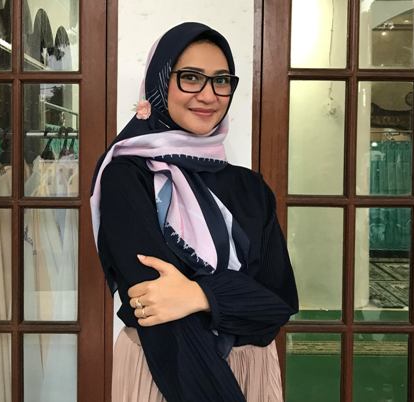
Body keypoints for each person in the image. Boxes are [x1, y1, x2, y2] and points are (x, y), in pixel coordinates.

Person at [90, 22, 298, 402]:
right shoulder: (127, 177)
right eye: (190, 77)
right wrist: (237, 299)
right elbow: (159, 313)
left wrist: (199, 295)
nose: (208, 95)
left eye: (221, 80)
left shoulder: (251, 187)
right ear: (159, 82)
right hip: (165, 372)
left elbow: (278, 303)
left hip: (254, 368)